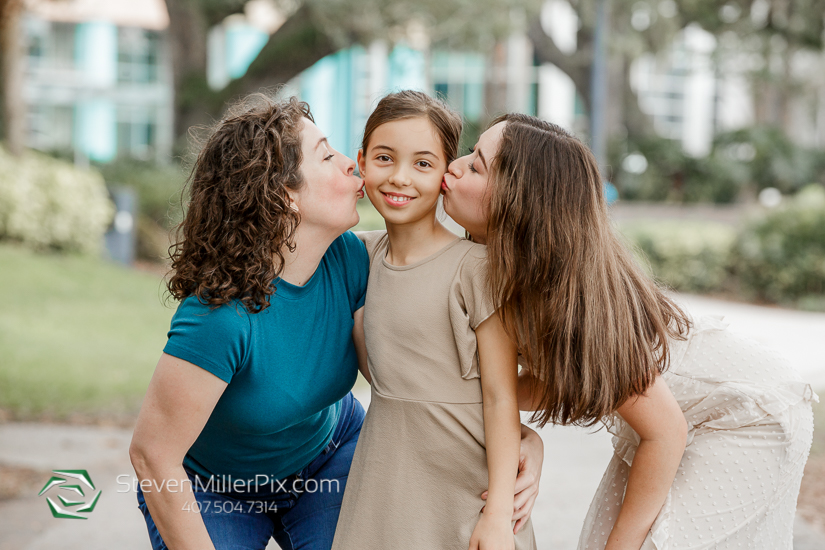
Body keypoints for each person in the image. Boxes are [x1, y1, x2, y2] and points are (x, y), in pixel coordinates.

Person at [128, 94, 544, 550]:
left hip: (323, 460)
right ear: (284, 194)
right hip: (218, 486)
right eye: (327, 154)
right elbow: (152, 455)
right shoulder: (219, 317)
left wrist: (522, 440)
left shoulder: (352, 261)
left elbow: (423, 378)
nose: (352, 164)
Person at [440, 113, 818, 550]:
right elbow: (545, 382)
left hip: (747, 414)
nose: (455, 164)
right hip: (673, 419)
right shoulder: (499, 270)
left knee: (640, 543)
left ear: (519, 203)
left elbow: (665, 431)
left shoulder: (569, 300)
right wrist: (522, 434)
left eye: (475, 165)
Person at [331, 90, 535, 550]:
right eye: (384, 158)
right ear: (362, 162)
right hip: (383, 477)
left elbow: (500, 394)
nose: (400, 177)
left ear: (446, 173)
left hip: (465, 488)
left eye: (423, 163)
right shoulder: (359, 256)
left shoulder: (476, 268)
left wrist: (499, 512)